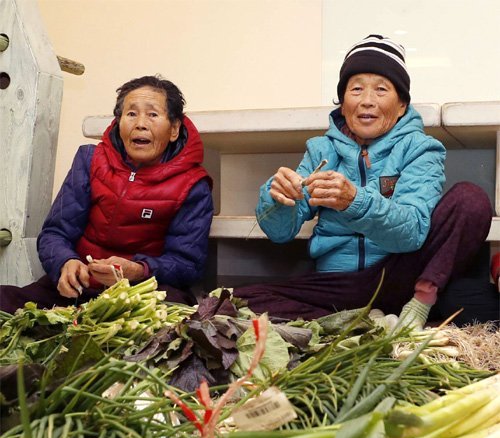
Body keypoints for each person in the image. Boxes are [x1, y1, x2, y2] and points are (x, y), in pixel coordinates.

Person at [234, 34, 494, 328]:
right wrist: (277, 199)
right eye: (356, 89)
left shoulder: (420, 149)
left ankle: (419, 306)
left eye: (381, 90)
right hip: (337, 283)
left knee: (470, 199)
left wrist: (354, 202)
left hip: (399, 274)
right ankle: (360, 321)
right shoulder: (322, 150)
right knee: (238, 302)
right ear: (343, 103)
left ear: (401, 106)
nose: (367, 101)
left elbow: (411, 232)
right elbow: (281, 232)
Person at [0, 75, 213, 313]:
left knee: (171, 325)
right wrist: (65, 262)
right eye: (131, 114)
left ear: (174, 129)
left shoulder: (193, 185)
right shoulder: (90, 160)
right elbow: (55, 233)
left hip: (143, 294)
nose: (140, 124)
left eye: (152, 114)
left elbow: (187, 264)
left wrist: (138, 270)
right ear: (119, 122)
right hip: (79, 288)